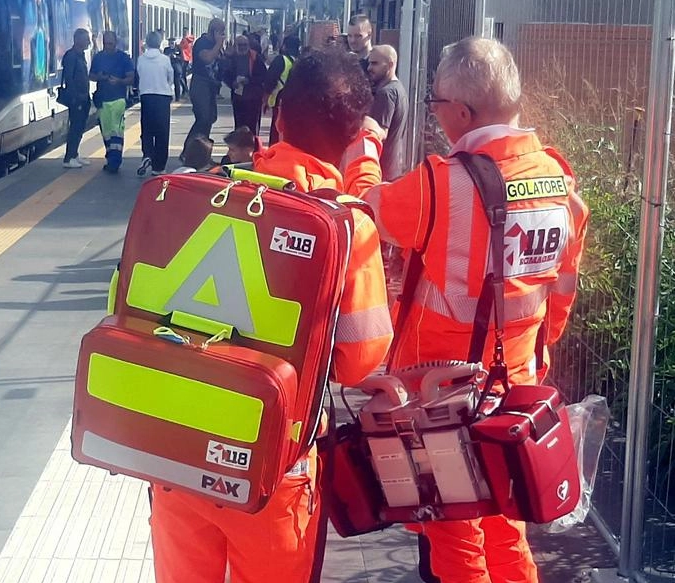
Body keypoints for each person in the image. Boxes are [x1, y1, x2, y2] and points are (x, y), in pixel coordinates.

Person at [150, 47, 393, 583]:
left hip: (179, 447)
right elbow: (356, 363)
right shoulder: (348, 229)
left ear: (277, 116)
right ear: (354, 137)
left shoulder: (208, 187)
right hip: (272, 466)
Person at [358, 36, 589, 583]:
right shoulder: (559, 180)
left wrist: (367, 145)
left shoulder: (441, 183)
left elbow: (366, 210)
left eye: (436, 104)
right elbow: (561, 288)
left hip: (442, 396)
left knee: (455, 533)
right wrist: (538, 352)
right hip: (515, 386)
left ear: (461, 112)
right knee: (507, 524)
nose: (435, 116)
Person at [90, 31, 135, 174]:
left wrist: (119, 81)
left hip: (118, 99)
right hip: (103, 100)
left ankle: (115, 161)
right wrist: (99, 77)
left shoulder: (124, 58)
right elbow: (91, 76)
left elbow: (131, 78)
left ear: (115, 42)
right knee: (106, 133)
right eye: (105, 44)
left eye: (110, 43)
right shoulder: (98, 58)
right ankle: (111, 157)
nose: (107, 47)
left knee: (116, 131)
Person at [181, 19, 226, 160]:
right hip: (200, 83)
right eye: (220, 32)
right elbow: (207, 58)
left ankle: (201, 152)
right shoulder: (202, 43)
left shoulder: (215, 44)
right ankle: (189, 151)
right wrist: (219, 43)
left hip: (211, 85)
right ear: (213, 30)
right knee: (203, 118)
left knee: (210, 118)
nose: (222, 35)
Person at [367, 44, 409, 181]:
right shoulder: (399, 89)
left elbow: (381, 133)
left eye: (375, 64)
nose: (369, 68)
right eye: (369, 63)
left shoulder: (386, 93)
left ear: (390, 64)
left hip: (382, 171)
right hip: (393, 168)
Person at [137, 31, 175, 176]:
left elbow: (139, 74)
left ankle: (147, 154)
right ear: (159, 43)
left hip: (146, 97)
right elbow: (170, 77)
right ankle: (158, 167)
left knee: (146, 129)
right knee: (162, 133)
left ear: (147, 42)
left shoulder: (141, 59)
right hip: (162, 97)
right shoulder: (165, 59)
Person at [221, 34, 267, 136]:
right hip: (238, 98)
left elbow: (263, 76)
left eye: (245, 45)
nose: (242, 47)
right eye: (240, 45)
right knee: (239, 126)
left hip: (254, 97)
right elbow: (224, 74)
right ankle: (240, 147)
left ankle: (254, 147)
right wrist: (232, 83)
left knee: (253, 126)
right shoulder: (231, 58)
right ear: (236, 45)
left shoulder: (255, 57)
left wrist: (249, 80)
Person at [61, 28, 92, 169]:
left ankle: (74, 154)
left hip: (83, 97)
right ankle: (68, 158)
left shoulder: (80, 55)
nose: (89, 42)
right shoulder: (71, 56)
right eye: (87, 39)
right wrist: (76, 98)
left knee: (80, 127)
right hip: (77, 98)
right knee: (75, 127)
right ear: (78, 40)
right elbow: (69, 79)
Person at [264, 35, 300, 145]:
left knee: (276, 131)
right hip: (295, 103)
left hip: (279, 101)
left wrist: (265, 99)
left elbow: (269, 81)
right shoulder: (300, 61)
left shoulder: (281, 60)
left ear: (284, 46)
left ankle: (275, 152)